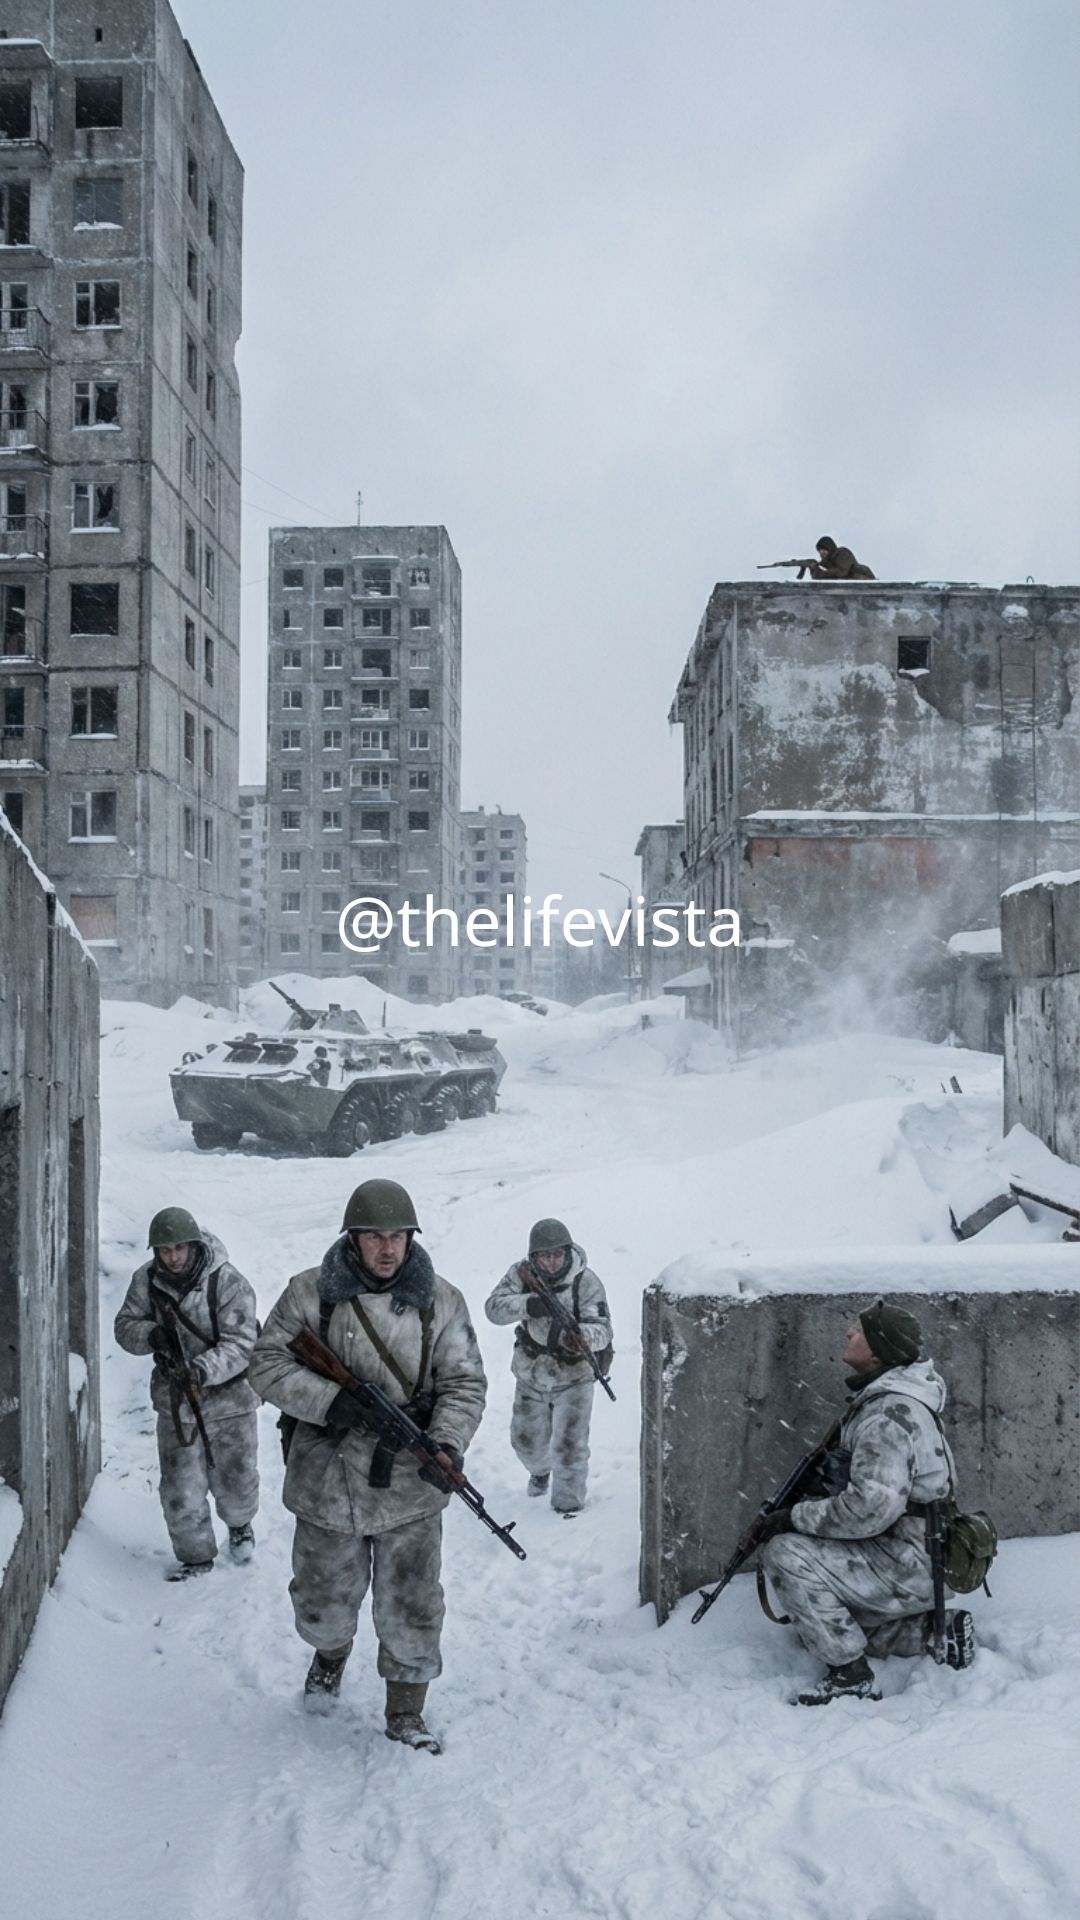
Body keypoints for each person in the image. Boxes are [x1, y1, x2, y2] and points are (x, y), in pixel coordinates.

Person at [248, 1179, 486, 1755]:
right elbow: (266, 1364)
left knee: (413, 1604)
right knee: (322, 1603)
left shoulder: (442, 1301)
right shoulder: (309, 1293)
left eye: (397, 1236)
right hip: (326, 1481)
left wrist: (446, 1444)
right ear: (353, 1238)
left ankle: (405, 1709)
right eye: (375, 1236)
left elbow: (464, 1383)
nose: (387, 1248)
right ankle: (330, 1654)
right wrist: (331, 1401)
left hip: (409, 1486)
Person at [758, 1299, 975, 1705]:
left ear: (877, 1352)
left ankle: (850, 1676)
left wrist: (794, 1518)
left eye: (858, 1331)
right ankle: (934, 1633)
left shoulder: (887, 1415)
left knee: (785, 1554)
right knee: (825, 1620)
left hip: (909, 1560)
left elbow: (870, 1509)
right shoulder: (896, 1400)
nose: (848, 1333)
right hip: (922, 1553)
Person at [114, 1207, 260, 1581]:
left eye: (180, 1248)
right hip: (175, 1402)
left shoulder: (228, 1282)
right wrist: (151, 1335)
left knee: (237, 1478)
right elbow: (124, 1325)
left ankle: (240, 1525)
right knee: (180, 1488)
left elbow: (243, 1342)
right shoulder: (146, 1281)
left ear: (194, 1245)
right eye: (165, 1250)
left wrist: (203, 1370)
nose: (173, 1257)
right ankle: (195, 1557)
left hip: (230, 1400)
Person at [484, 1218, 612, 1518]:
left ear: (568, 1252)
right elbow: (493, 1308)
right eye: (545, 1255)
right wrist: (528, 1304)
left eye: (558, 1254)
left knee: (570, 1447)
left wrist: (580, 1337)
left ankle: (568, 1509)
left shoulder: (586, 1282)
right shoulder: (520, 1274)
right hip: (532, 1372)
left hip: (575, 1375)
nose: (552, 1261)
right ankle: (540, 1472)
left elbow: (603, 1329)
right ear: (534, 1256)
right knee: (526, 1442)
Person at [802, 535, 875, 580]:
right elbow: (821, 580)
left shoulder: (842, 553)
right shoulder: (826, 562)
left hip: (864, 581)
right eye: (819, 551)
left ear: (830, 548)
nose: (821, 553)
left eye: (824, 550)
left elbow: (841, 572)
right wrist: (814, 569)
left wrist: (821, 572)